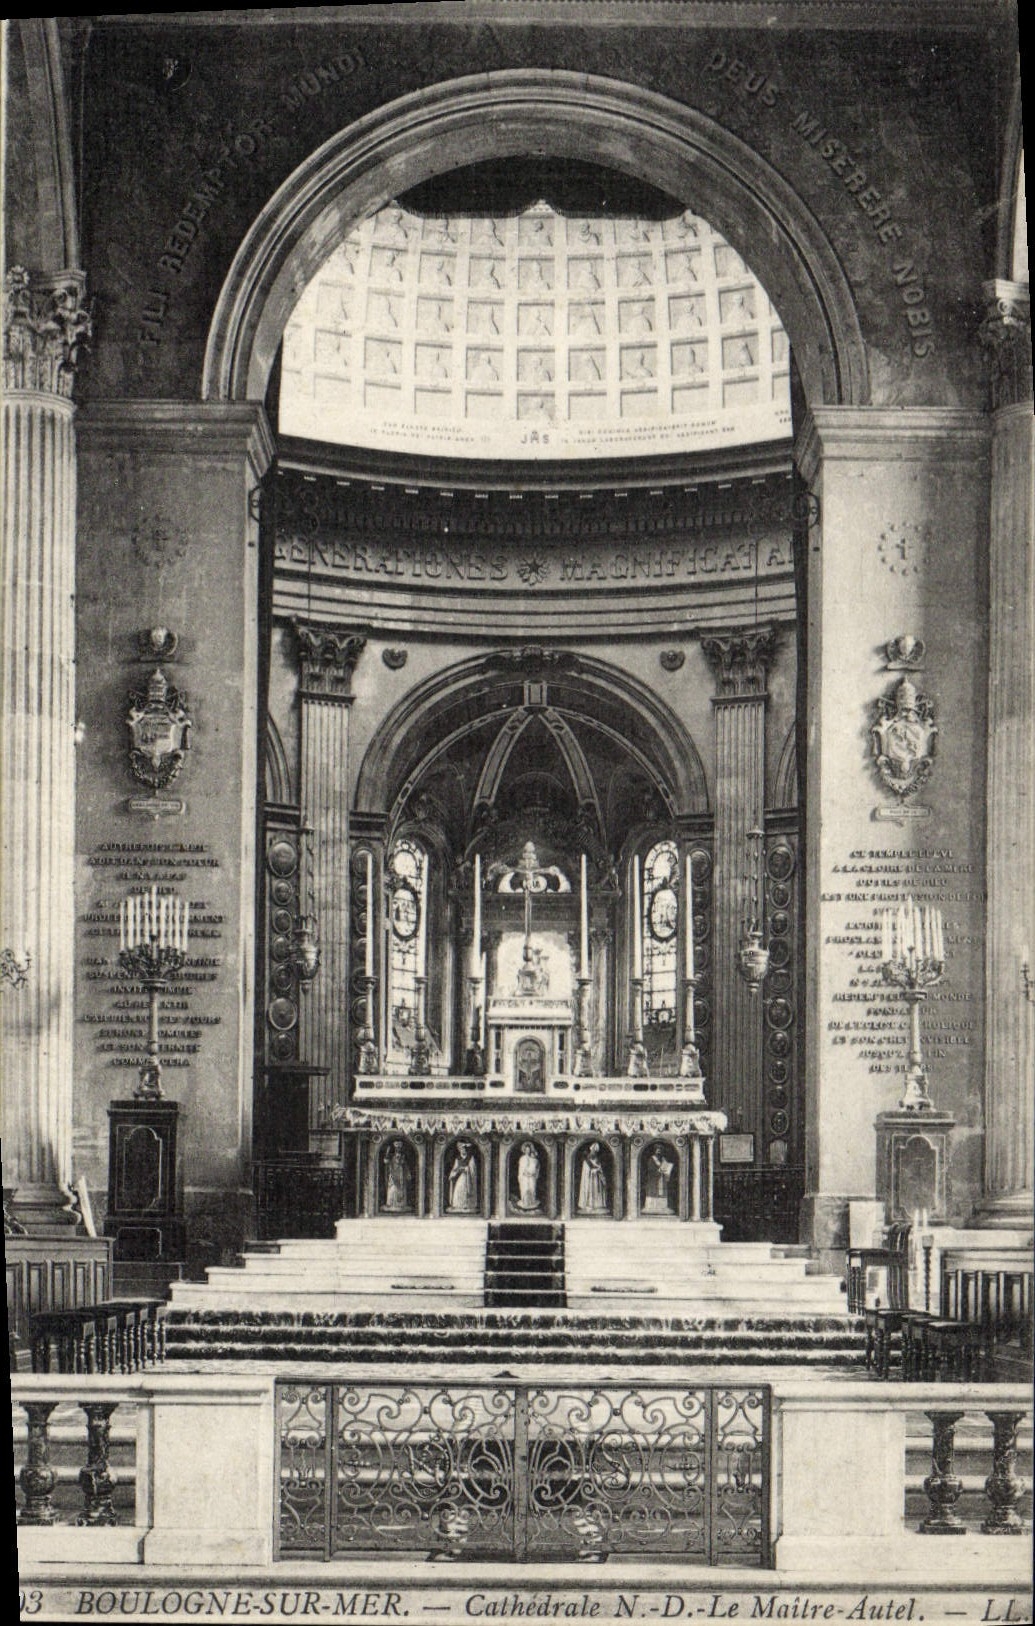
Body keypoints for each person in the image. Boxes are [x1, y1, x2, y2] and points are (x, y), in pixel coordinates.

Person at [642, 1143, 675, 1214]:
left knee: (662, 1193)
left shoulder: (663, 1159)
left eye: (660, 1150)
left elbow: (666, 1167)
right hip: (653, 1179)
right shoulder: (652, 1159)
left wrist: (666, 1170)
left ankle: (662, 1208)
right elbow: (650, 1169)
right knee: (653, 1192)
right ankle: (651, 1208)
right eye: (657, 1149)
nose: (659, 1151)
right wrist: (659, 1171)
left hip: (662, 1179)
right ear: (655, 1150)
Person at [577, 1142, 609, 1214]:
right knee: (590, 1191)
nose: (594, 1153)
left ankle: (598, 1205)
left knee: (597, 1191)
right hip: (589, 1180)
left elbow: (600, 1168)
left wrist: (598, 1170)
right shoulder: (586, 1161)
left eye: (595, 1151)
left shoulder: (597, 1160)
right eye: (593, 1151)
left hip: (597, 1179)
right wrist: (592, 1171)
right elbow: (586, 1171)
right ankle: (589, 1205)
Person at [447, 1140, 478, 1213]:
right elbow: (455, 1168)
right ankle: (458, 1205)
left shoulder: (470, 1158)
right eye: (461, 1149)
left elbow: (472, 1168)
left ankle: (467, 1205)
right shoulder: (458, 1158)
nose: (462, 1150)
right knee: (458, 1189)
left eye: (464, 1149)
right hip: (460, 1176)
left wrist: (467, 1169)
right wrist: (453, 1174)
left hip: (468, 1177)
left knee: (466, 1189)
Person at [383, 1139, 410, 1212]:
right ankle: (391, 1204)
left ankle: (400, 1204)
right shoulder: (391, 1155)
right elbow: (385, 1161)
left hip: (400, 1174)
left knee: (400, 1188)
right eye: (396, 1147)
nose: (398, 1149)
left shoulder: (403, 1155)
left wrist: (407, 1173)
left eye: (399, 1148)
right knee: (392, 1188)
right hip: (392, 1174)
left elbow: (405, 1165)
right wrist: (387, 1152)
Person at [516, 1142, 541, 1210]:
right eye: (526, 1150)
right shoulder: (522, 1158)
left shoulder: (533, 1159)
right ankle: (525, 1203)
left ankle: (531, 1202)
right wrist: (524, 1174)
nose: (528, 1151)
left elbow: (536, 1167)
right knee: (525, 1189)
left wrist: (533, 1173)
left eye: (529, 1150)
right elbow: (521, 1168)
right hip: (524, 1177)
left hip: (531, 1177)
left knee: (532, 1188)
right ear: (524, 1150)